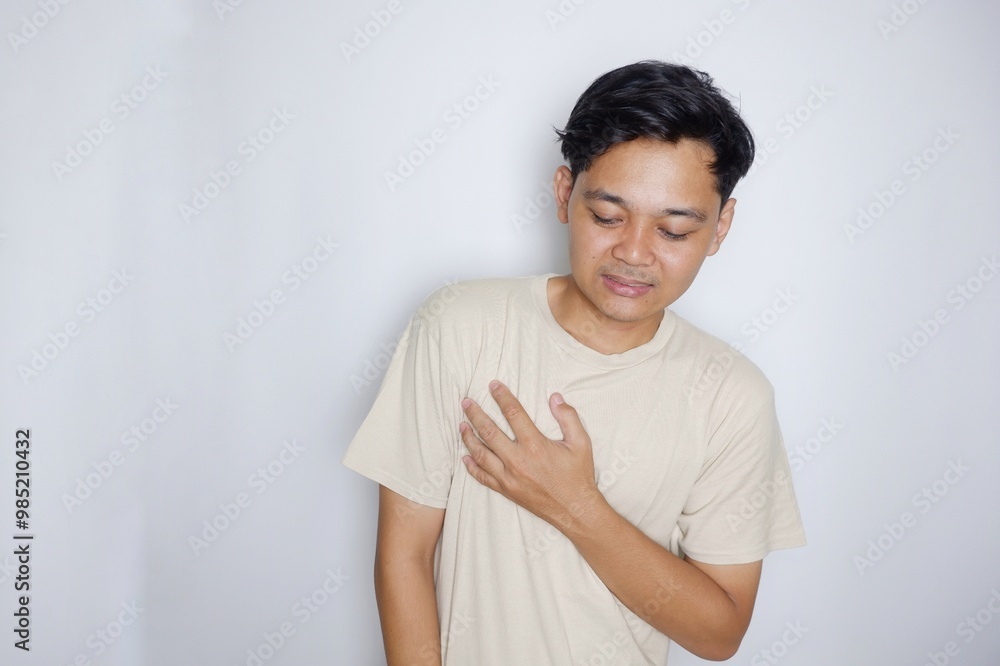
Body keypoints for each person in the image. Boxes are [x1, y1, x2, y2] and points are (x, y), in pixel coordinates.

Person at [341, 59, 806, 665]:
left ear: (719, 229)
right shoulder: (459, 325)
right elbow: (404, 555)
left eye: (673, 230)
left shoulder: (731, 395)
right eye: (608, 216)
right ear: (565, 193)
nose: (633, 252)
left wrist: (576, 504)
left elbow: (718, 634)